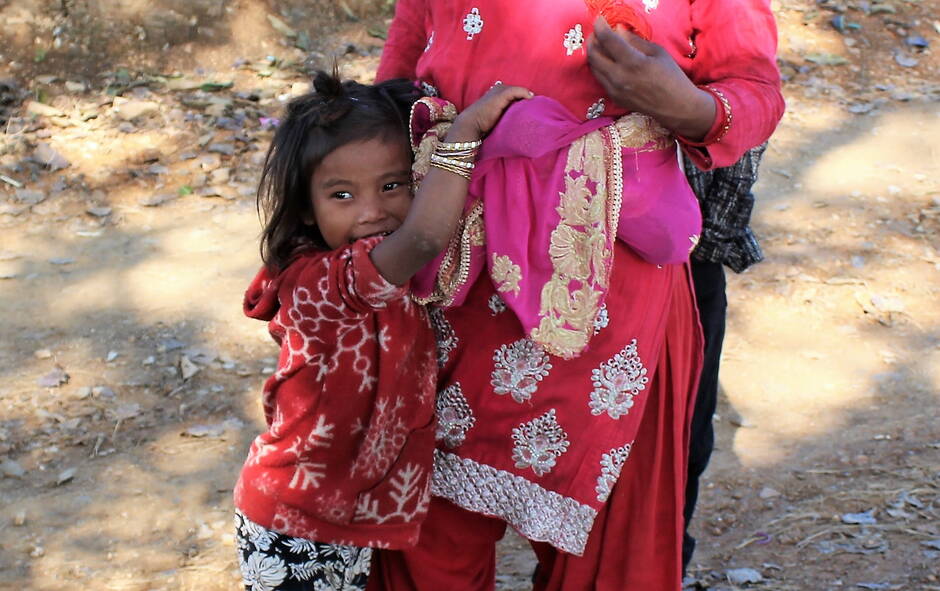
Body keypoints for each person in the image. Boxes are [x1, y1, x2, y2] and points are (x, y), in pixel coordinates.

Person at [371, 1, 784, 590]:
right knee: (428, 533)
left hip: (616, 297)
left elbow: (754, 89)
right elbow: (400, 74)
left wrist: (686, 107)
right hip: (450, 260)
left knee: (609, 544)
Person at [232, 70, 532, 591]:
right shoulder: (318, 283)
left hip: (344, 519)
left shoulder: (382, 275)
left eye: (393, 185)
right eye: (342, 195)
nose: (372, 212)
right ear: (306, 207)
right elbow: (424, 236)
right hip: (294, 523)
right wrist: (462, 136)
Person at [681, 143, 769, 573]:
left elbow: (742, 129)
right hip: (588, 257)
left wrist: (708, 242)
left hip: (690, 259)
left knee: (686, 440)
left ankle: (661, 564)